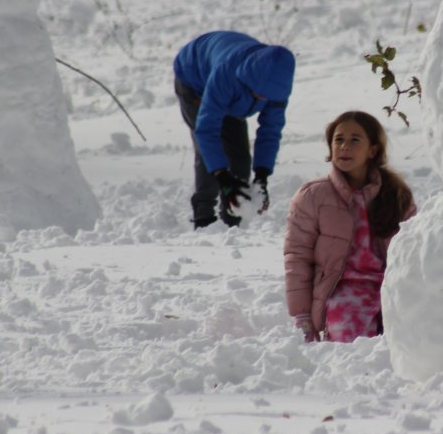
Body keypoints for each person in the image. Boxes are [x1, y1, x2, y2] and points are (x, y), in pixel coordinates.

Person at [283, 111, 416, 342]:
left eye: (355, 140)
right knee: (352, 349)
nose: (345, 146)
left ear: (373, 150)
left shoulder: (397, 195)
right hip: (340, 294)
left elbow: (416, 252)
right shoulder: (313, 196)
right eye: (338, 139)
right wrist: (302, 316)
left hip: (392, 290)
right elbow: (297, 256)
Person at [173, 31, 295, 229]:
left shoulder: (277, 89)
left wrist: (262, 175)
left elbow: (270, 132)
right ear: (248, 80)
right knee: (209, 156)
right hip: (194, 80)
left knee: (240, 157)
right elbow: (206, 131)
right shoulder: (225, 75)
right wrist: (223, 176)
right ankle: (204, 217)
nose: (261, 99)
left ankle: (234, 216)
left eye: (266, 97)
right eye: (257, 93)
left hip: (232, 93)